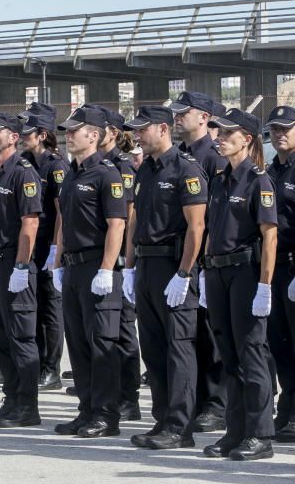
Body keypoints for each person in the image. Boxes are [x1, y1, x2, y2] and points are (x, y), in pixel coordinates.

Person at [123, 105, 206, 450]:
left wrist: (185, 273)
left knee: (179, 349)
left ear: (163, 128)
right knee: (153, 349)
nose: (138, 136)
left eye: (143, 130)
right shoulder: (145, 171)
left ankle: (179, 426)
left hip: (173, 268)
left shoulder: (185, 168)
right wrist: (128, 268)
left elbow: (196, 226)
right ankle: (162, 420)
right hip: (145, 266)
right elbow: (136, 221)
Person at [201, 108, 277, 460]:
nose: (219, 138)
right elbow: (211, 230)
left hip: (245, 274)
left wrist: (265, 285)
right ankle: (235, 431)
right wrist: (204, 270)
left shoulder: (258, 180)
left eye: (227, 134)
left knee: (252, 354)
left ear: (246, 139)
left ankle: (259, 435)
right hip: (217, 273)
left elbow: (270, 236)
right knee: (228, 354)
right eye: (218, 132)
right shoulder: (219, 179)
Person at [52, 106, 128, 438]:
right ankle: (86, 410)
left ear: (94, 135)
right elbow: (64, 222)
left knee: (101, 343)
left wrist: (107, 269)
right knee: (79, 343)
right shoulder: (73, 172)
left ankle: (106, 414)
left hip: (98, 266)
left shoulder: (106, 173)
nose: (68, 136)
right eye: (67, 131)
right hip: (73, 267)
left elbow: (117, 225)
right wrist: (57, 262)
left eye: (75, 131)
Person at [0, 113, 43, 428]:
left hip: (13, 262)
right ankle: (12, 399)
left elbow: (30, 224)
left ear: (14, 137)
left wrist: (22, 266)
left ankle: (27, 405)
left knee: (20, 337)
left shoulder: (23, 173)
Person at [171, 91, 227, 432]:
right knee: (191, 336)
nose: (178, 118)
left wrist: (204, 262)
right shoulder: (180, 155)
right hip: (182, 256)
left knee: (211, 334)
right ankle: (199, 401)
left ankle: (217, 404)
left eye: (184, 113)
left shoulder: (214, 157)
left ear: (204, 117)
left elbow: (213, 216)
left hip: (205, 259)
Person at [92, 104, 142, 421]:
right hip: (97, 260)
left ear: (111, 133)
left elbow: (128, 218)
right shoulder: (92, 166)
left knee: (123, 331)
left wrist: (125, 261)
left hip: (119, 262)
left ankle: (129, 396)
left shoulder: (122, 168)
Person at [20, 110, 67, 391]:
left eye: (29, 132)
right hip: (31, 244)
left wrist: (55, 248)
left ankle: (52, 367)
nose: (24, 137)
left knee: (51, 308)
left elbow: (62, 212)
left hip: (49, 242)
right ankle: (36, 362)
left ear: (43, 136)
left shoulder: (55, 165)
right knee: (32, 307)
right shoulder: (25, 163)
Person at [265, 105, 295, 442]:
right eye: (274, 129)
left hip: (293, 265)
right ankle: (287, 412)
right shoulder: (272, 171)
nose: (279, 133)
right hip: (273, 269)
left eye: (286, 128)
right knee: (279, 344)